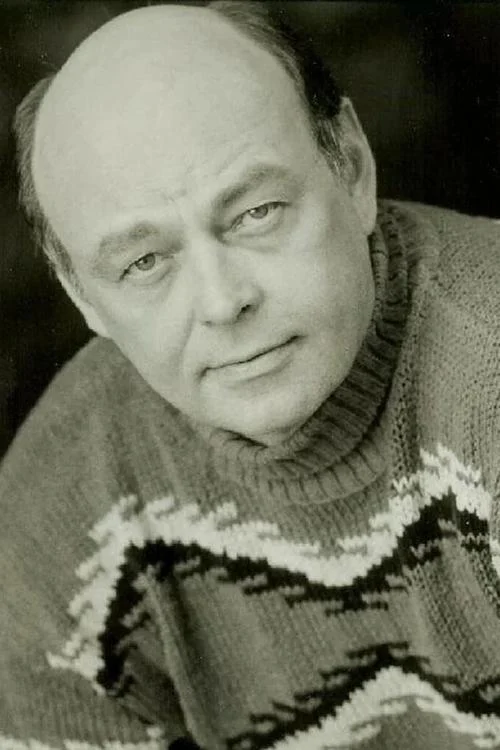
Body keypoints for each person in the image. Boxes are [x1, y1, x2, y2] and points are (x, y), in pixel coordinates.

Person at [1, 2, 500, 748]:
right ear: (83, 296)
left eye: (257, 213)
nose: (222, 301)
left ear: (351, 167)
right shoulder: (57, 511)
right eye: (144, 262)